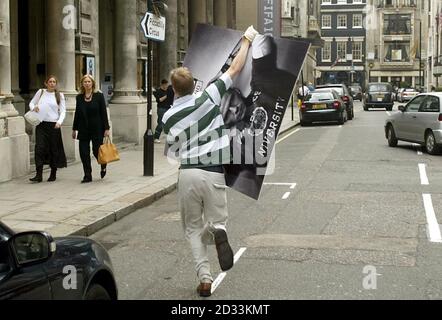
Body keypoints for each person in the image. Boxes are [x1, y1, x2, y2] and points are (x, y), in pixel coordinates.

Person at [162, 26, 258, 298]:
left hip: (188, 173)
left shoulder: (168, 117)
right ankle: (216, 230)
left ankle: (205, 279)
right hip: (214, 171)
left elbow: (173, 147)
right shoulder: (209, 96)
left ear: (173, 90)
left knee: (191, 229)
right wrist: (247, 39)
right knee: (217, 221)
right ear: (195, 85)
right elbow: (236, 68)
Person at [72, 75, 110, 184]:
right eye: (85, 82)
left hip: (97, 128)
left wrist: (106, 128)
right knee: (83, 152)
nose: (87, 83)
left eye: (89, 82)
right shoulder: (79, 97)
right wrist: (74, 129)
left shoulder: (99, 96)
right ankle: (87, 175)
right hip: (83, 128)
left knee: (96, 151)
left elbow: (103, 112)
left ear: (92, 83)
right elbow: (78, 114)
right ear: (82, 84)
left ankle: (103, 164)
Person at [29, 75, 67, 183]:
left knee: (53, 149)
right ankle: (38, 174)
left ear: (56, 83)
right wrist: (33, 107)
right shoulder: (40, 92)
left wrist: (59, 122)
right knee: (39, 148)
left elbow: (63, 111)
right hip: (41, 124)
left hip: (54, 125)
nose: (52, 83)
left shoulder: (59, 95)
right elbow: (31, 103)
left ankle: (53, 173)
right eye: (50, 81)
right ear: (46, 83)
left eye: (54, 82)